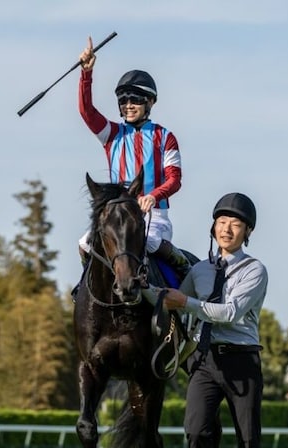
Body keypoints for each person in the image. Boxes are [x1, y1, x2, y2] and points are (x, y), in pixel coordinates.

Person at [162, 192, 268, 448]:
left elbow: (229, 312)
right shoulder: (200, 271)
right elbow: (175, 301)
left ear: (247, 232)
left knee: (248, 441)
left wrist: (186, 303)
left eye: (235, 224)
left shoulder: (255, 271)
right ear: (214, 227)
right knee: (195, 430)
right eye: (222, 222)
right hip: (205, 361)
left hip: (241, 360)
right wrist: (146, 294)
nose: (227, 229)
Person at [76, 36, 189, 277]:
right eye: (124, 100)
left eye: (135, 100)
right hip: (118, 212)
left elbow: (174, 179)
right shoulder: (112, 133)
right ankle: (86, 287)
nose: (128, 105)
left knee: (150, 244)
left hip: (153, 215)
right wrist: (87, 73)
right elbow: (87, 111)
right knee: (85, 243)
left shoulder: (165, 136)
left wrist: (153, 196)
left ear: (150, 102)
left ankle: (182, 268)